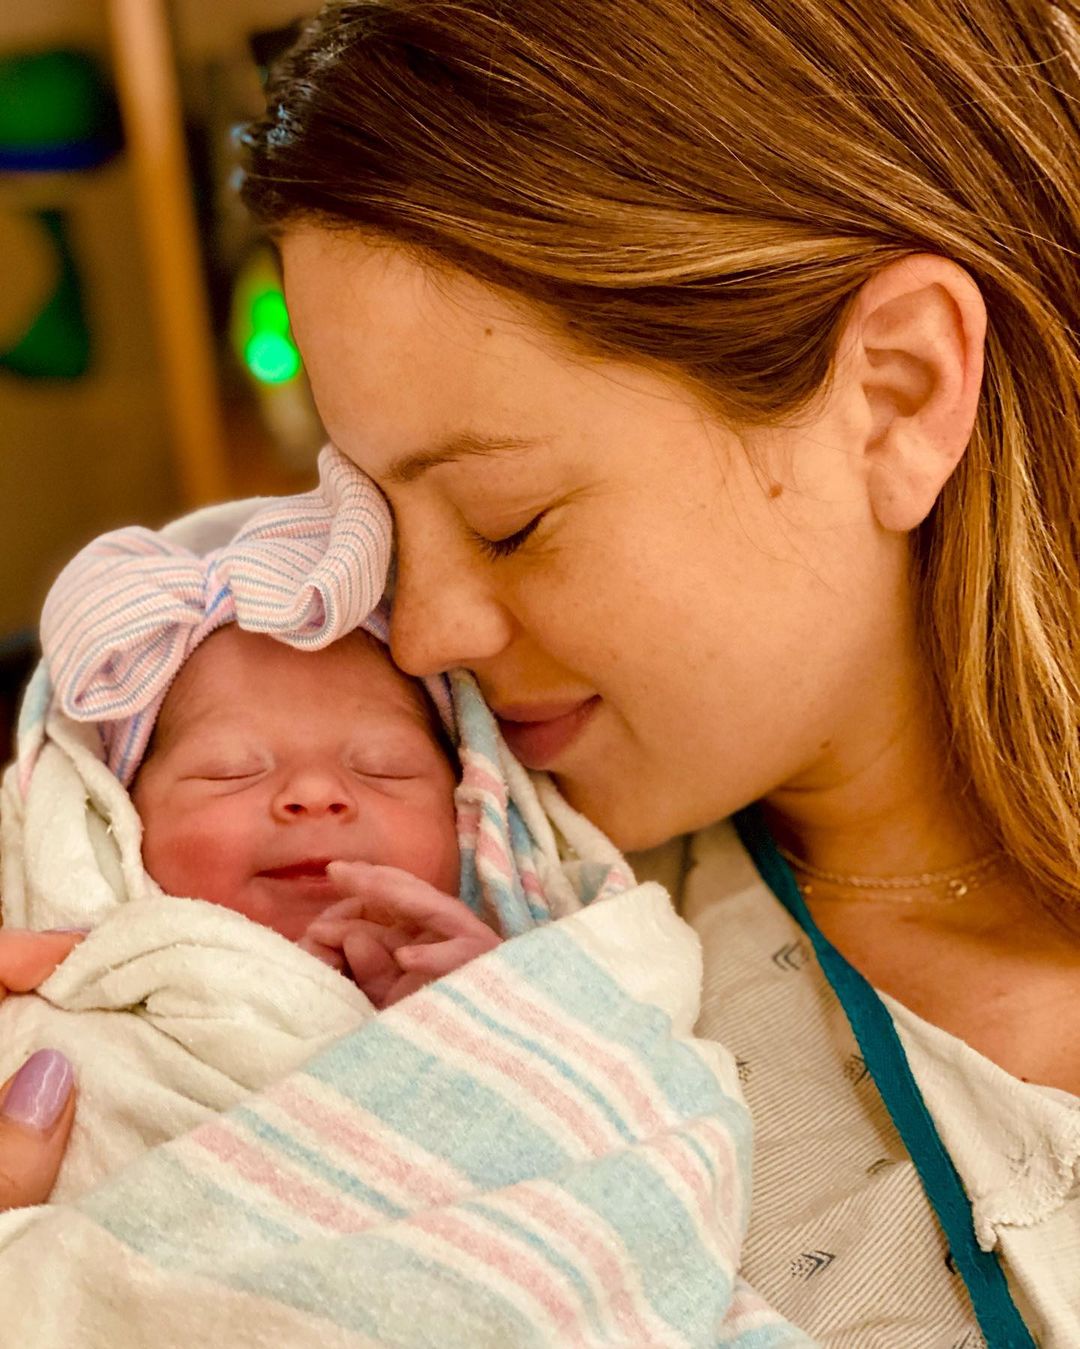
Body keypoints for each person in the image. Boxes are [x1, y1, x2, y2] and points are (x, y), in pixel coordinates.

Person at [1, 0, 1076, 1341]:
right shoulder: (455, 942)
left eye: (509, 520)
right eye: (379, 524)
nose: (419, 636)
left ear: (898, 391)